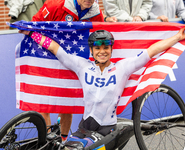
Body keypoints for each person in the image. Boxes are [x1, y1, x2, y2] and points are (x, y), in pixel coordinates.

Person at [19, 26, 185, 148]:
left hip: (106, 131)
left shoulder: (122, 68)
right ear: (91, 50)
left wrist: (177, 37)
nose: (102, 51)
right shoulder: (82, 66)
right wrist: (32, 33)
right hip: (84, 129)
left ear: (111, 49)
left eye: (106, 47)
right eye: (97, 48)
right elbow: (57, 49)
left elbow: (151, 51)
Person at [29, 0, 116, 142]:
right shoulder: (54, 5)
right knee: (44, 104)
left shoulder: (95, 12)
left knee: (66, 103)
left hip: (71, 61)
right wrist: (27, 30)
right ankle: (47, 141)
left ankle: (62, 141)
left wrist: (107, 20)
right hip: (48, 57)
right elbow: (35, 24)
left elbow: (100, 36)